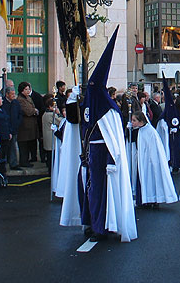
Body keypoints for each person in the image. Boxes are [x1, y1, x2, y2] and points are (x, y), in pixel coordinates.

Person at [69, 27, 136, 242]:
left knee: (99, 193)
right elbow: (76, 123)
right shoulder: (87, 106)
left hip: (103, 160)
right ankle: (88, 222)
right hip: (87, 156)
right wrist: (72, 101)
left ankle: (101, 226)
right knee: (86, 191)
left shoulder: (109, 112)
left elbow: (112, 139)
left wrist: (110, 160)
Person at [130, 111, 177, 208]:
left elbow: (154, 148)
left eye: (134, 120)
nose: (132, 123)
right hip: (142, 160)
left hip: (150, 161)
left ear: (141, 121)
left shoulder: (150, 131)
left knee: (151, 178)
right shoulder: (140, 130)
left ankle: (153, 199)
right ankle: (144, 199)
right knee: (142, 178)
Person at [157, 75, 180, 172]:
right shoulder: (165, 112)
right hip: (168, 135)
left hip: (177, 134)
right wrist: (166, 127)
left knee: (177, 149)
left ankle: (176, 164)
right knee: (169, 149)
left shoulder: (177, 110)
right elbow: (162, 122)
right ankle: (170, 164)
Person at [16, 81, 39, 168]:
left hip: (31, 125)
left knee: (29, 144)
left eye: (29, 89)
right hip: (24, 126)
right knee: (24, 145)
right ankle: (23, 161)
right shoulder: (20, 100)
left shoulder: (28, 98)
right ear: (22, 90)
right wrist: (34, 111)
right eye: (26, 89)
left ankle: (28, 160)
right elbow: (28, 111)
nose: (28, 91)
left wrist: (34, 111)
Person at [41, 95, 62, 174]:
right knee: (52, 157)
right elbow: (60, 121)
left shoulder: (45, 114)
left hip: (47, 138)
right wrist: (59, 113)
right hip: (51, 139)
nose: (56, 108)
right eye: (54, 106)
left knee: (49, 156)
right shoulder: (51, 115)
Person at [2, 87, 22, 170]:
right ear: (7, 94)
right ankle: (3, 163)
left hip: (14, 127)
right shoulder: (3, 103)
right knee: (5, 147)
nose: (14, 96)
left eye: (14, 94)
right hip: (6, 128)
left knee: (13, 146)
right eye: (12, 94)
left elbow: (20, 113)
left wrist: (17, 123)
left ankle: (13, 163)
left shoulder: (16, 103)